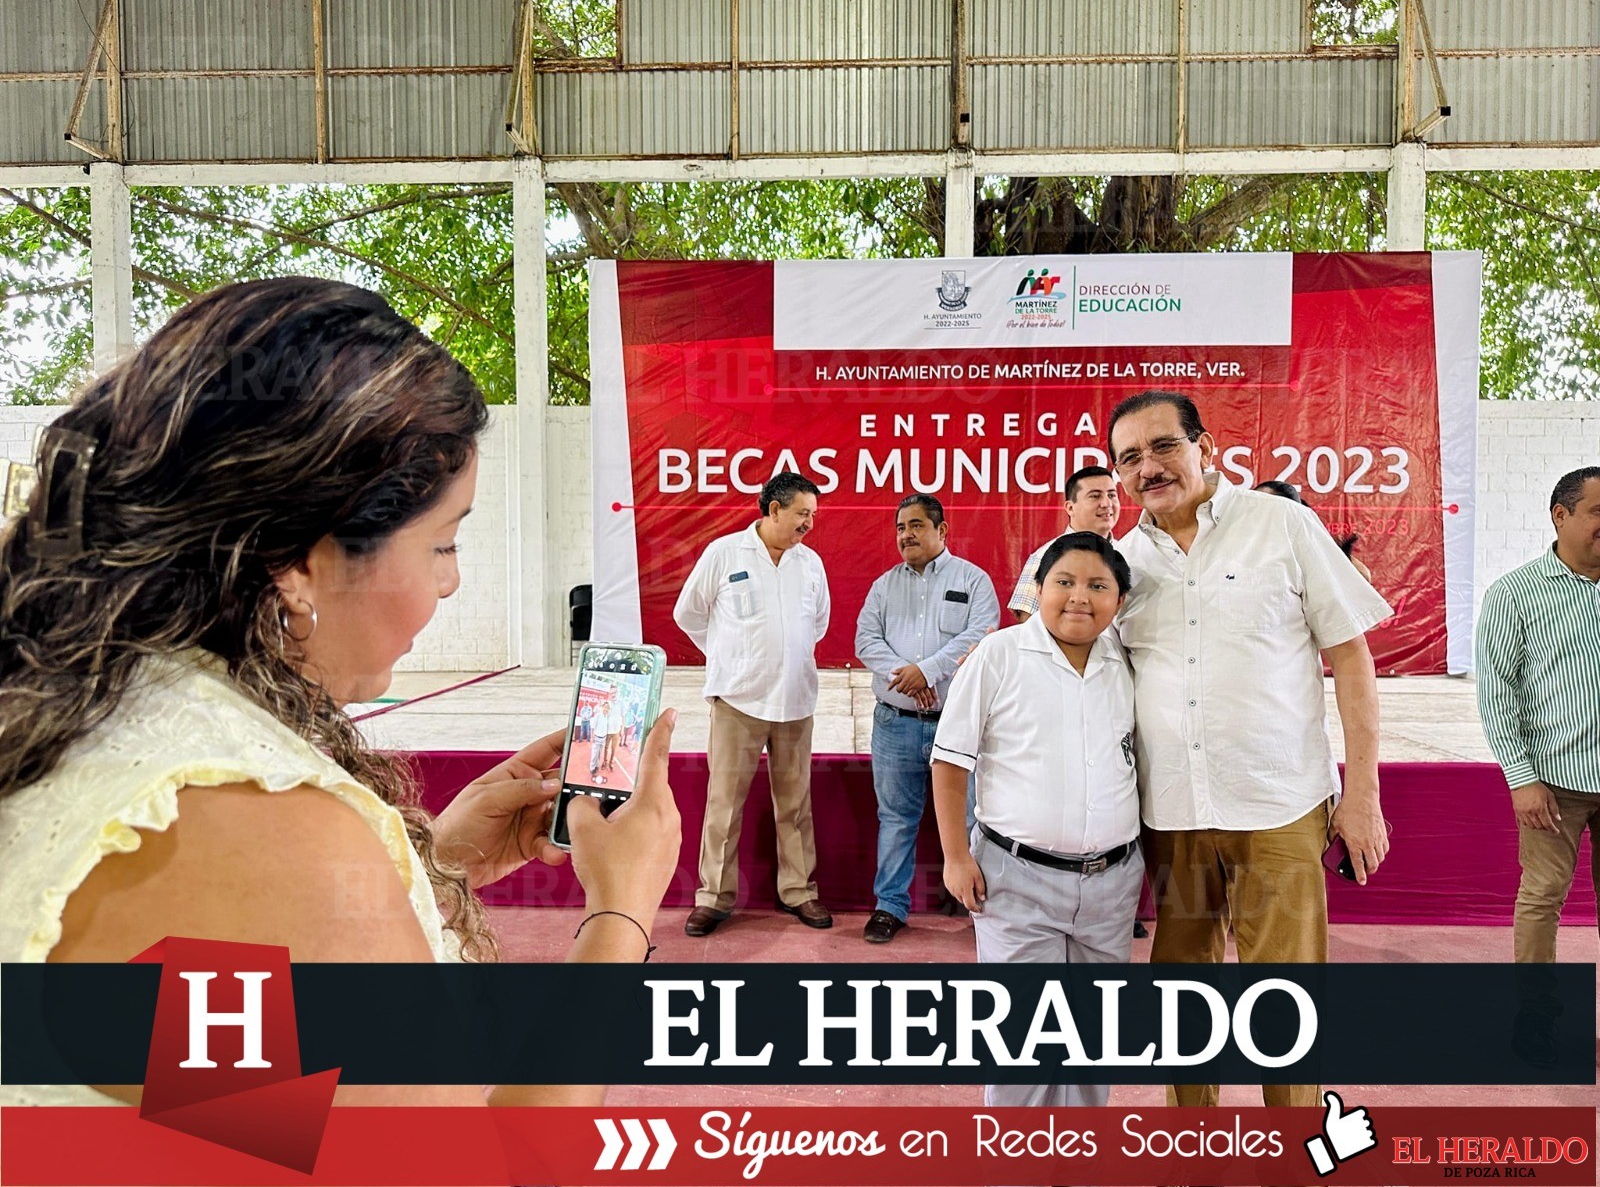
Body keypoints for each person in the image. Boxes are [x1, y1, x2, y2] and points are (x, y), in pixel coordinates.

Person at [0, 277, 681, 1110]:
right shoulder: (244, 823)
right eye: (442, 543)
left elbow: (232, 1090)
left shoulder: (85, 710)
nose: (451, 583)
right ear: (299, 561)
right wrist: (623, 911)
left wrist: (433, 864)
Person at [1109, 389, 1391, 1109]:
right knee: (1184, 1005)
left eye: (1164, 446)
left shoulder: (1281, 524)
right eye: (1129, 457)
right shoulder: (1120, 564)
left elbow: (1351, 657)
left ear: (1207, 449)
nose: (1149, 467)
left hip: (1279, 807)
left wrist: (1362, 795)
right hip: (1171, 817)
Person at [930, 532, 1141, 1107]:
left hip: (1111, 883)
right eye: (1064, 582)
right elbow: (949, 761)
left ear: (1119, 600)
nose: (1080, 598)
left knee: (1093, 1038)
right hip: (1015, 878)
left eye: (1098, 586)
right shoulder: (998, 656)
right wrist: (955, 857)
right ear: (1037, 589)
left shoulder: (1127, 661)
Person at [673, 471, 832, 936]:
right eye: (802, 514)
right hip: (738, 702)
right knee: (724, 804)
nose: (808, 524)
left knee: (795, 804)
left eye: (813, 516)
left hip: (795, 700)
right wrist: (728, 656)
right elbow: (688, 614)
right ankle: (714, 898)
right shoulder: (724, 553)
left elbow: (817, 624)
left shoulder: (811, 564)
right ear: (774, 509)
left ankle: (800, 891)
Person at [854, 494, 999, 943]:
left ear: (942, 531)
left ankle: (979, 908)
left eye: (916, 525)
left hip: (957, 725)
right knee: (896, 817)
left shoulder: (973, 581)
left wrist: (929, 669)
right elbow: (865, 640)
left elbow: (982, 634)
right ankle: (890, 907)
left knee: (975, 817)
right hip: (895, 723)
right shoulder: (883, 586)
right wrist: (908, 677)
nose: (906, 535)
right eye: (900, 527)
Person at [1476, 467, 1600, 988]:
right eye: (1598, 512)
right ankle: (1534, 1017)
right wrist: (1521, 777)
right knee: (1543, 896)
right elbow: (1496, 694)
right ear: (1560, 516)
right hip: (1554, 784)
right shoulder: (1515, 594)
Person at [1009, 464, 1121, 622]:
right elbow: (1027, 623)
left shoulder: (1128, 552)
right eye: (1095, 496)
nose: (1106, 504)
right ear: (1070, 508)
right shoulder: (1046, 556)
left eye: (1112, 495)